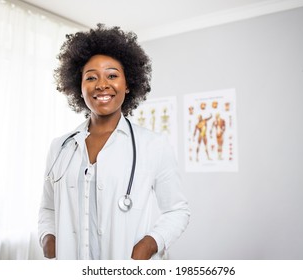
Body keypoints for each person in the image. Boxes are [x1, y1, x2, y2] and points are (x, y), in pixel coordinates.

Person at [38, 24, 190, 260]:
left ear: (128, 84)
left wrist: (149, 245)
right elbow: (48, 208)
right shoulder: (60, 147)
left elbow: (177, 210)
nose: (101, 84)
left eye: (112, 75)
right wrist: (48, 239)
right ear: (79, 87)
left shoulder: (153, 145)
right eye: (91, 77)